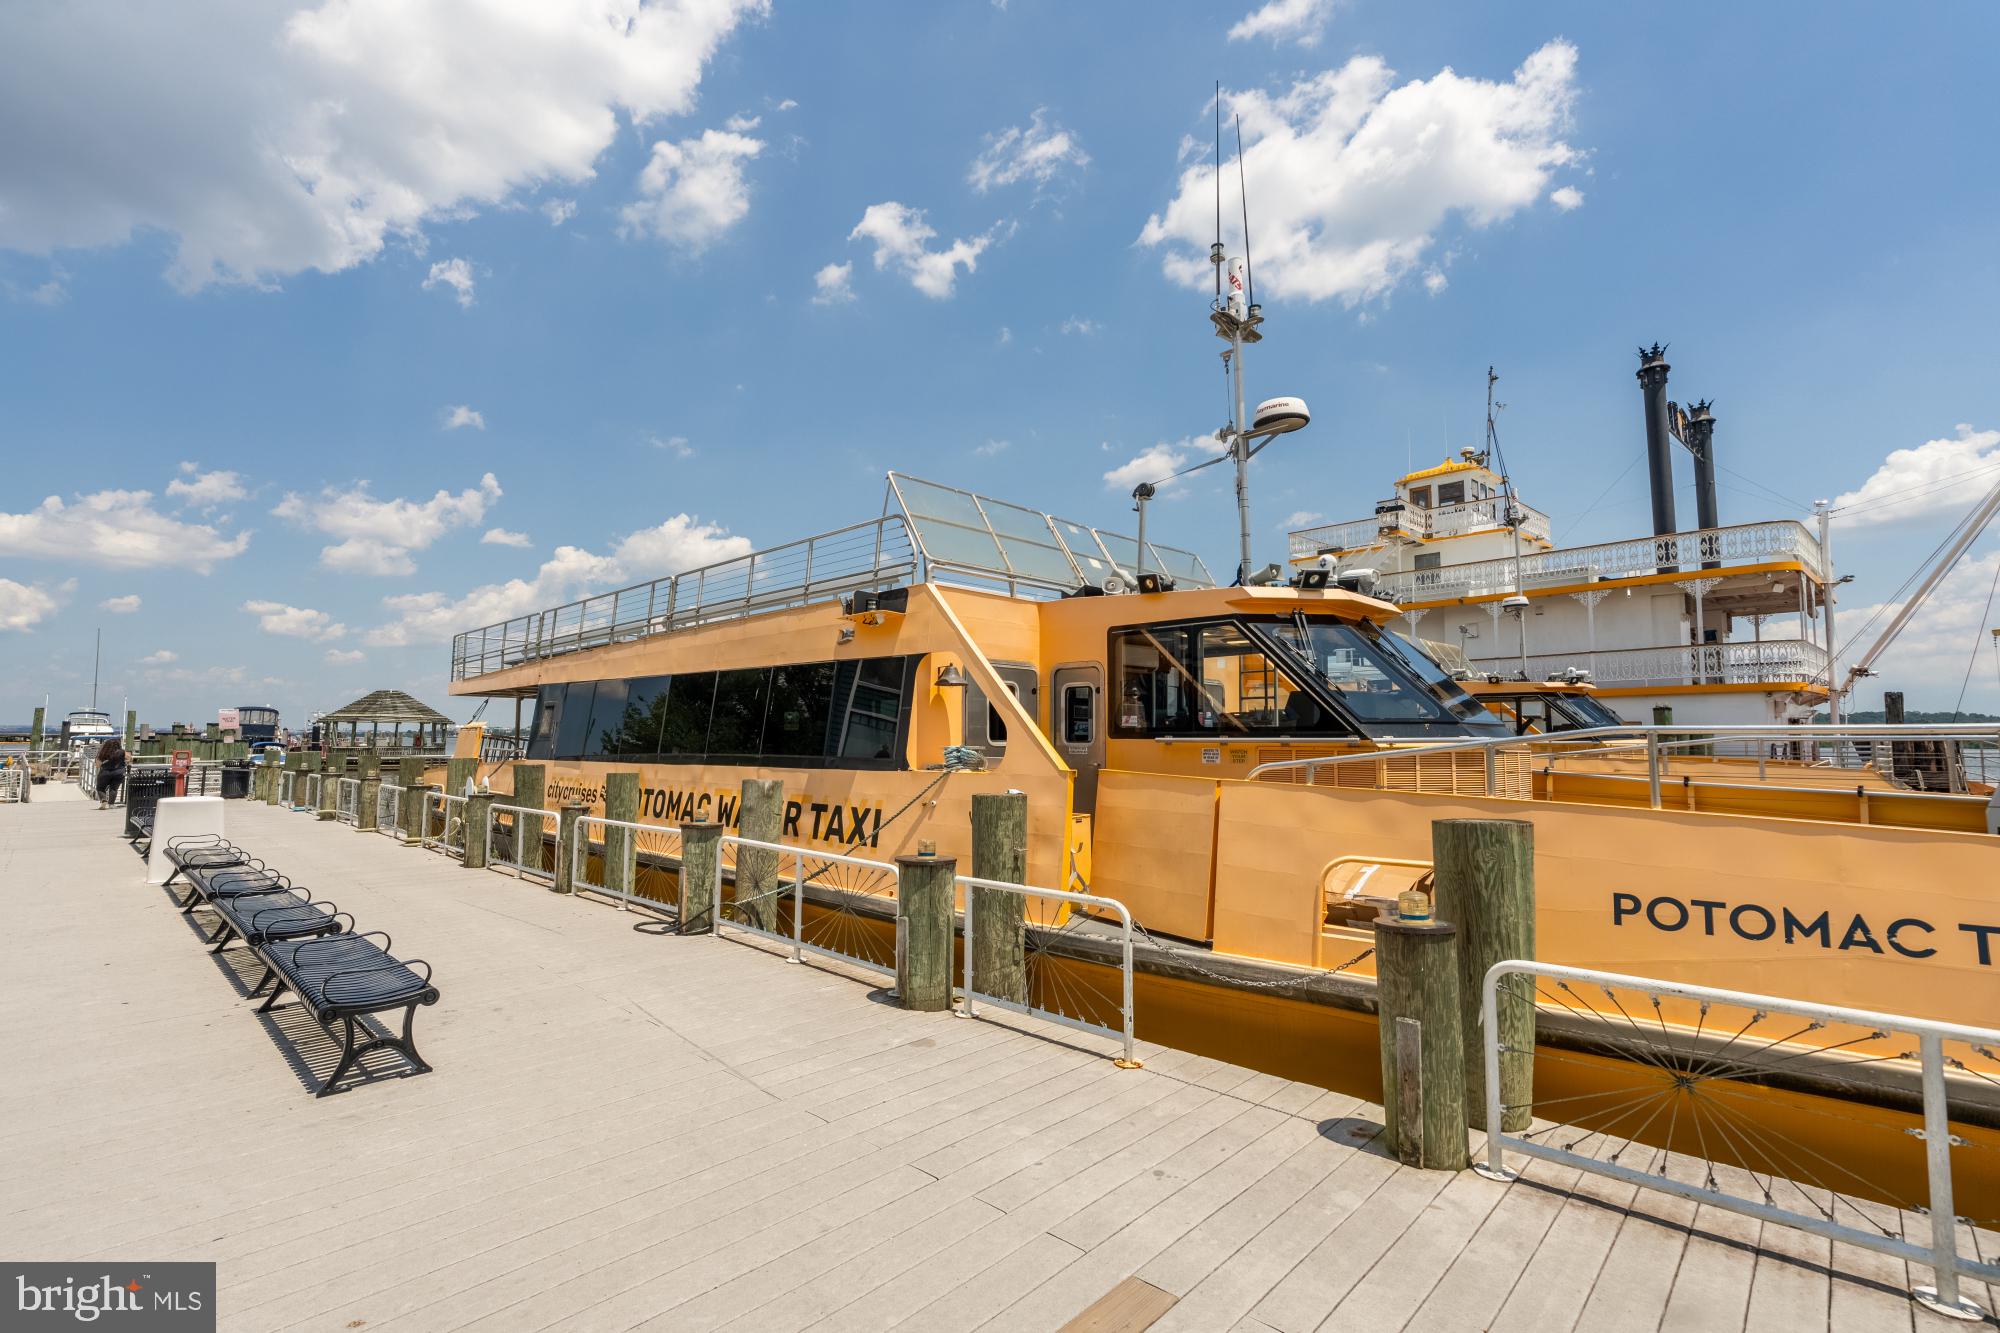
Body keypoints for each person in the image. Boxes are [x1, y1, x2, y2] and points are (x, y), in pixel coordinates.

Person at [95, 737, 127, 809]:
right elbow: (129, 758)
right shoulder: (122, 752)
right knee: (114, 788)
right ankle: (111, 804)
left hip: (105, 772)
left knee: (100, 788)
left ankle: (103, 799)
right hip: (119, 772)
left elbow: (97, 765)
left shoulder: (103, 753)